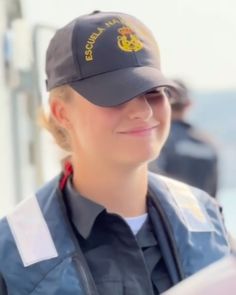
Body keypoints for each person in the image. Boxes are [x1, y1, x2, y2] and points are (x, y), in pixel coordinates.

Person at [0, 11, 231, 295]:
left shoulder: (208, 221)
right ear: (62, 113)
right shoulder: (10, 257)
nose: (143, 112)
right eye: (116, 95)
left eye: (153, 92)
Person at [149, 79, 219, 197]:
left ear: (164, 104)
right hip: (200, 212)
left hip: (168, 211)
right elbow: (213, 193)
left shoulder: (156, 139)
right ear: (189, 105)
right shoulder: (209, 144)